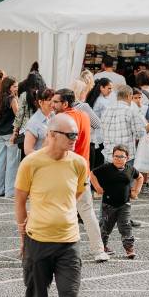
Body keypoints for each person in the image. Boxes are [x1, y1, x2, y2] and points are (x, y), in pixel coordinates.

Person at [15, 112, 89, 297]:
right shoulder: (31, 163)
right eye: (70, 135)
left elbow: (77, 194)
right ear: (52, 134)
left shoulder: (79, 163)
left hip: (69, 243)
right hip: (38, 241)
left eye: (77, 134)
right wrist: (22, 233)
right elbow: (20, 200)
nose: (75, 139)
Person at [58, 88, 109, 262]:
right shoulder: (84, 115)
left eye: (56, 102)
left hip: (67, 170)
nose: (53, 104)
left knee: (61, 210)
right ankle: (99, 250)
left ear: (65, 103)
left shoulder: (65, 119)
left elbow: (63, 146)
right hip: (83, 168)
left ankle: (60, 250)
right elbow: (97, 125)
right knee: (87, 211)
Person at [91, 144, 141, 259]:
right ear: (112, 157)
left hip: (124, 204)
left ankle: (129, 249)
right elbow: (92, 174)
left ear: (127, 158)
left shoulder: (130, 169)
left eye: (121, 157)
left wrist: (135, 191)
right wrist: (97, 188)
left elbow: (140, 177)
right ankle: (102, 247)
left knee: (125, 226)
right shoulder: (106, 168)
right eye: (116, 156)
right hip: (108, 205)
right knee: (105, 227)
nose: (118, 159)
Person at [0, 77, 22, 198]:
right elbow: (18, 116)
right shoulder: (12, 99)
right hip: (10, 133)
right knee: (12, 162)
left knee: (0, 161)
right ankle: (10, 191)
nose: (16, 88)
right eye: (14, 86)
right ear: (9, 87)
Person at [99, 85, 145, 162]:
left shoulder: (106, 111)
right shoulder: (131, 111)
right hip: (126, 157)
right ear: (129, 96)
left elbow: (101, 133)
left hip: (109, 156)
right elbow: (140, 134)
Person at [24, 88, 60, 154]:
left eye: (54, 100)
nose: (53, 103)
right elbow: (28, 150)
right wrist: (42, 157)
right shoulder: (33, 123)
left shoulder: (54, 115)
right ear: (40, 102)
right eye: (49, 100)